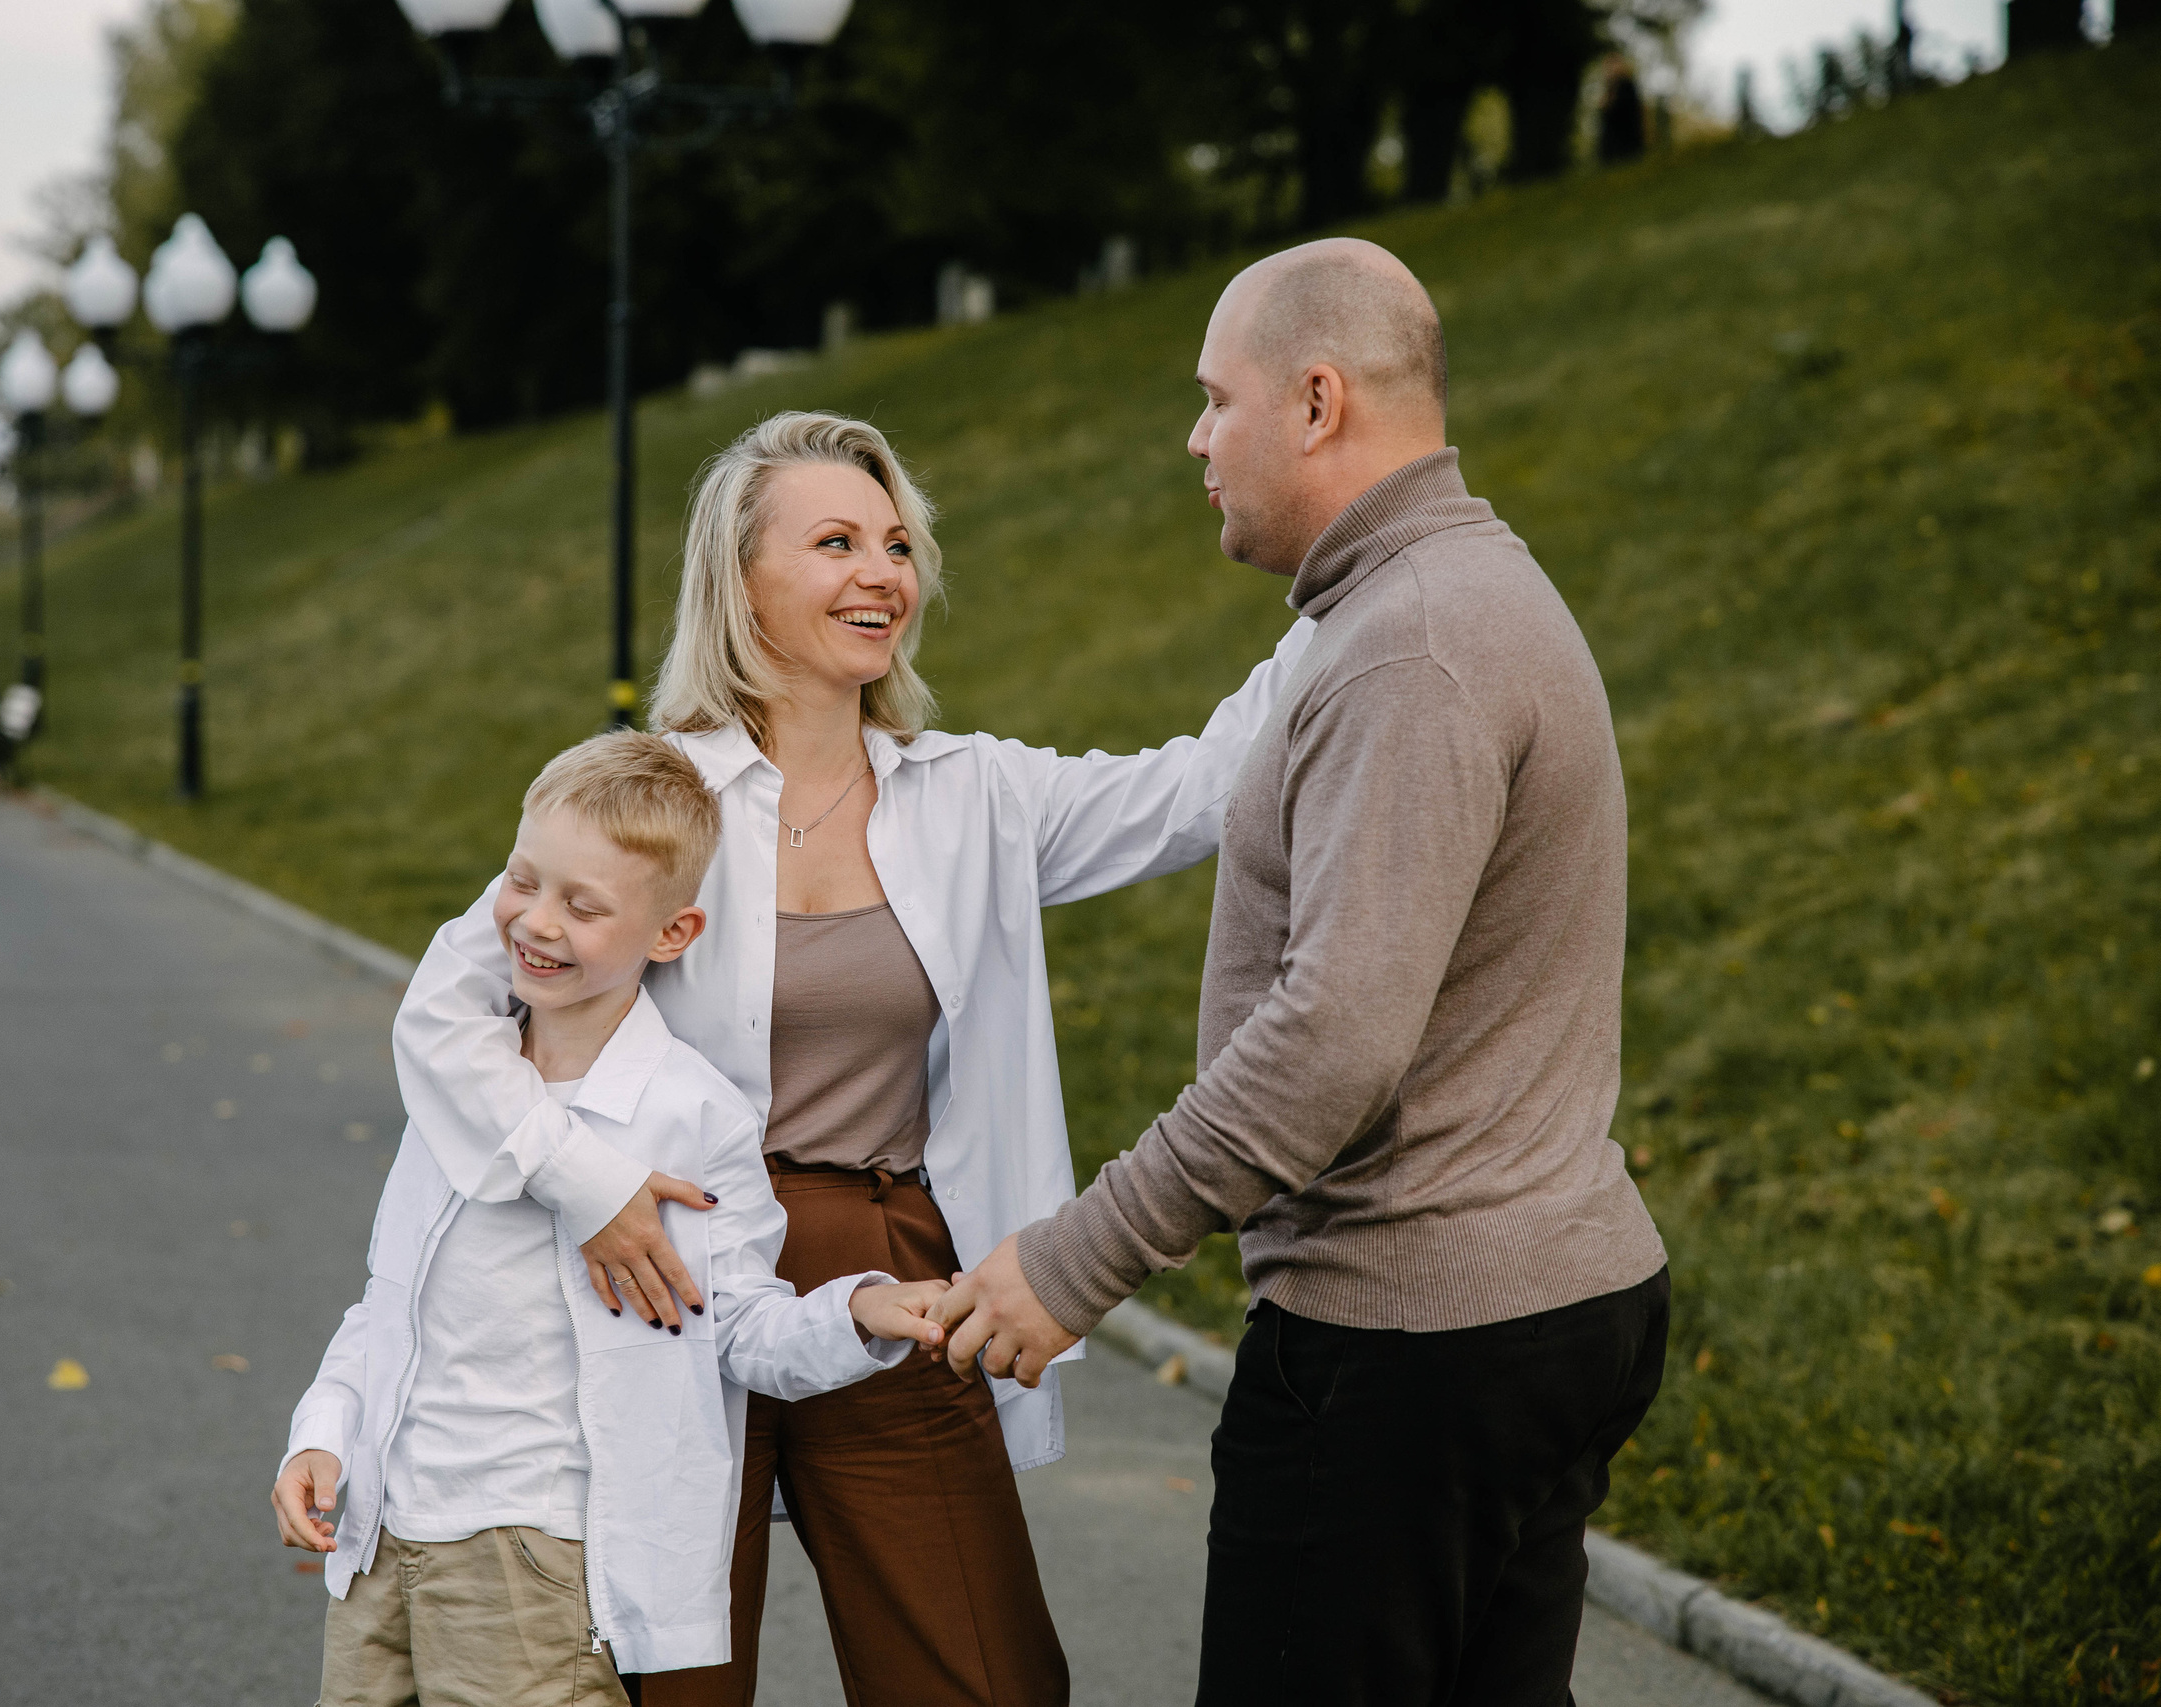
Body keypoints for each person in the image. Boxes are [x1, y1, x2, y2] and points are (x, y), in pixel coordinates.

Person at [393, 411, 1319, 1705]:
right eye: (835, 542)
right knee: (662, 1682)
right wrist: (588, 1185)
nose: (882, 572)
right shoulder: (654, 796)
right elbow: (445, 1014)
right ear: (741, 581)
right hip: (659, 1268)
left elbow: (1207, 785)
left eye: (896, 545)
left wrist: (1353, 581)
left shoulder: (975, 796)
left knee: (983, 1675)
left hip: (888, 1267)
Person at [929, 239, 1673, 1706]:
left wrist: (1073, 1261)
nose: (1195, 438)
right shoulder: (1455, 593)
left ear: (1318, 402)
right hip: (1532, 1314)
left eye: (1217, 399)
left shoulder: (1409, 650)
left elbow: (1332, 1039)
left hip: (1410, 1347)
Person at [273, 731, 953, 1706]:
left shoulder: (692, 1116)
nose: (535, 921)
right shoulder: (463, 1087)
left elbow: (738, 1329)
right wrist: (325, 1428)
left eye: (583, 906)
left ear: (671, 933)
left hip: (530, 1556)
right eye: (521, 881)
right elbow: (394, 1302)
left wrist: (857, 1312)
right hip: (379, 1533)